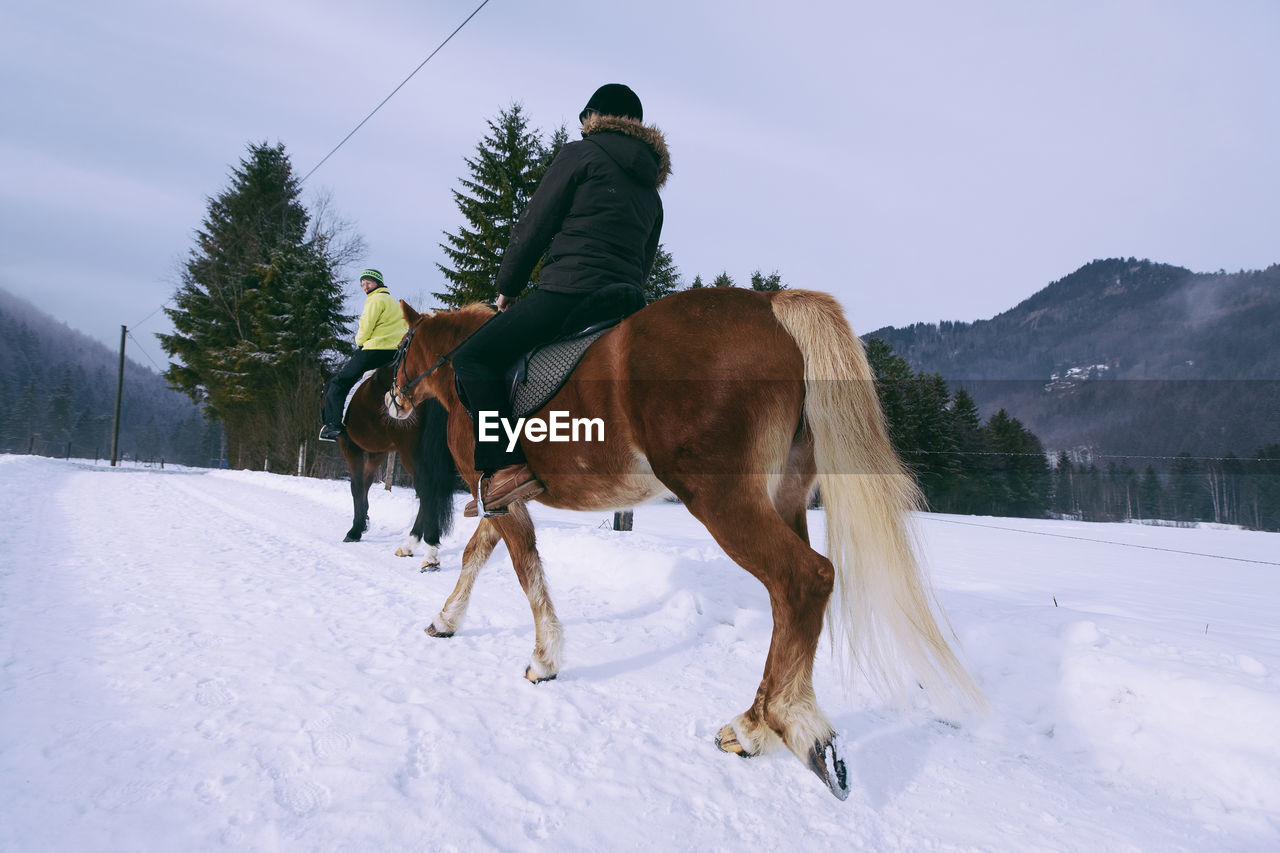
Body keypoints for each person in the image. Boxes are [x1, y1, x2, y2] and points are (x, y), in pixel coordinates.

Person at [452, 83, 671, 516]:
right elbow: (643, 263)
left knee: (473, 359)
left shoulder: (581, 154)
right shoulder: (651, 193)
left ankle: (504, 469)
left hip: (571, 292)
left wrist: (508, 287)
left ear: (597, 116)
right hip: (625, 303)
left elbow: (536, 223)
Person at [319, 269, 409, 441]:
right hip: (394, 353)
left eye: (368, 282)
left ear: (378, 283)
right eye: (362, 284)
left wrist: (359, 341)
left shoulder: (375, 300)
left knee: (339, 382)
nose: (365, 287)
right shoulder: (394, 303)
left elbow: (365, 329)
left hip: (373, 350)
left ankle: (332, 425)